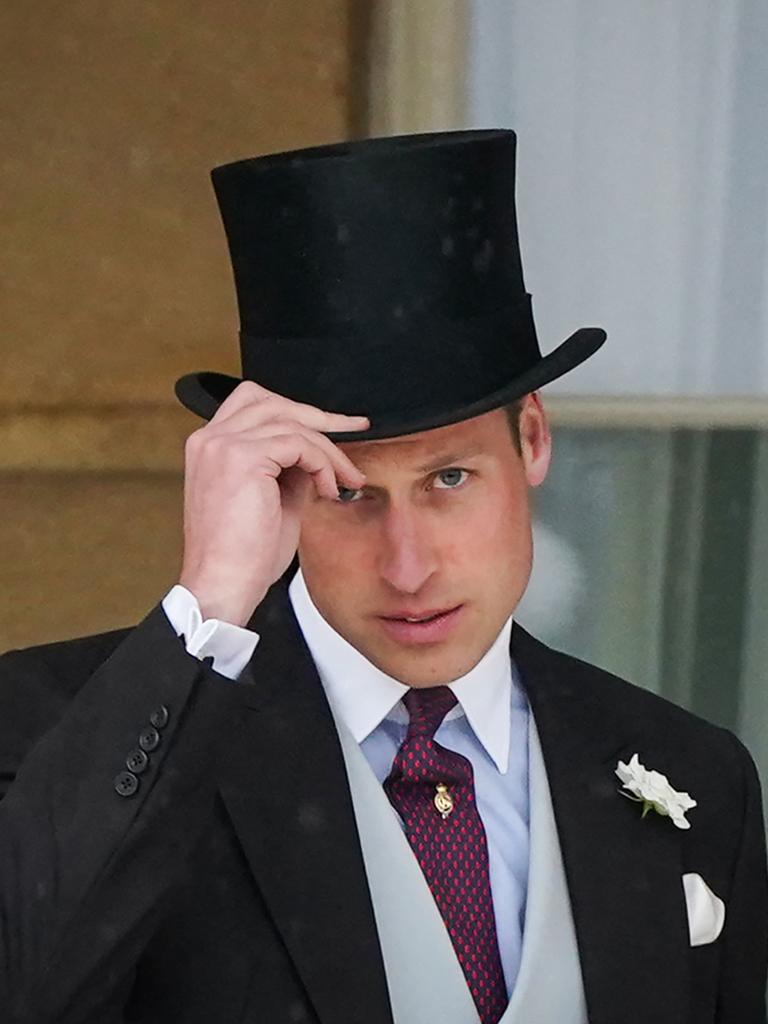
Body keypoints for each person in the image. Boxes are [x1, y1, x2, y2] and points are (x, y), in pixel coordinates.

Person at [0, 130, 766, 1024]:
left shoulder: (693, 769)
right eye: (348, 492)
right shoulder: (59, 730)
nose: (408, 567)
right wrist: (209, 597)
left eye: (449, 480)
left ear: (533, 440)